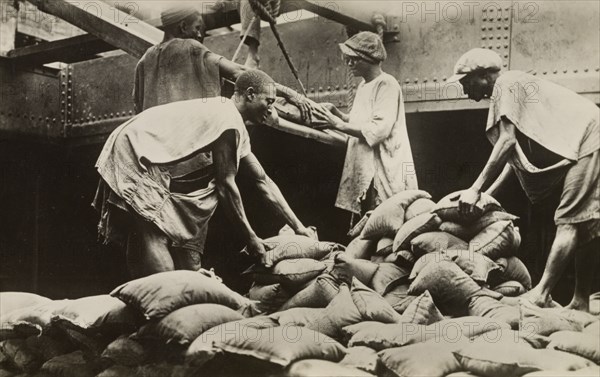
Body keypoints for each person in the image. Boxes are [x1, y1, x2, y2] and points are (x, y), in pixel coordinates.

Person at [93, 70, 313, 278]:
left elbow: (263, 181)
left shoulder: (232, 121)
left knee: (143, 228)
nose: (270, 110)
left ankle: (147, 295)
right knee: (154, 229)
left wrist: (299, 227)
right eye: (269, 102)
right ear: (250, 94)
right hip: (134, 147)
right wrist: (251, 237)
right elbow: (226, 186)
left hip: (134, 143)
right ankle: (169, 296)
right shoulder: (228, 119)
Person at [449, 48, 599, 311]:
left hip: (590, 137)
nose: (464, 90)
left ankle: (541, 294)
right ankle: (580, 301)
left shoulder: (506, 85)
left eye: (465, 82)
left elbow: (506, 143)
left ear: (484, 76)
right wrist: (489, 194)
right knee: (584, 223)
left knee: (569, 221)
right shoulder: (513, 84)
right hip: (591, 134)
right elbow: (514, 157)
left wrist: (475, 188)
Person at [133, 4, 311, 121]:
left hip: (158, 153)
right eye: (197, 28)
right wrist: (291, 93)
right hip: (190, 150)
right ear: (182, 27)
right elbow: (241, 73)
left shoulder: (144, 60)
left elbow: (137, 107)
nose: (200, 35)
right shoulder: (190, 47)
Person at [315, 31, 418, 219]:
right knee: (366, 222)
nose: (349, 63)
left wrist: (337, 124)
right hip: (366, 166)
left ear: (369, 59)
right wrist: (337, 114)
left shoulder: (387, 84)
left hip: (384, 166)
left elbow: (379, 129)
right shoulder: (363, 86)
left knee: (384, 218)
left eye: (354, 59)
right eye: (348, 59)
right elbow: (359, 123)